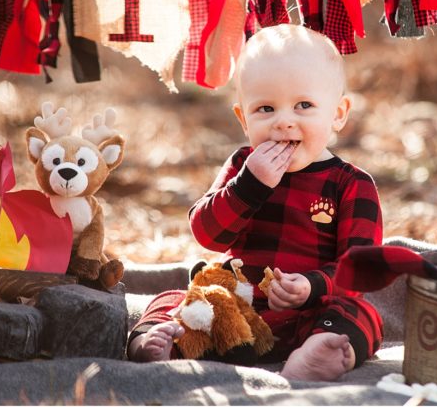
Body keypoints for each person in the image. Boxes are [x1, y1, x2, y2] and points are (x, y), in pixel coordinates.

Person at [128, 25, 384, 382]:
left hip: (311, 311)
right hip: (237, 310)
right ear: (243, 118)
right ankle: (153, 341)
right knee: (175, 298)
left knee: (360, 313)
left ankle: (317, 353)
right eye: (265, 108)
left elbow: (361, 270)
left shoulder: (350, 184)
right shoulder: (242, 167)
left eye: (304, 105)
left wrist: (312, 286)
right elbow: (208, 235)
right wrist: (250, 185)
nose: (283, 121)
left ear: (338, 113)